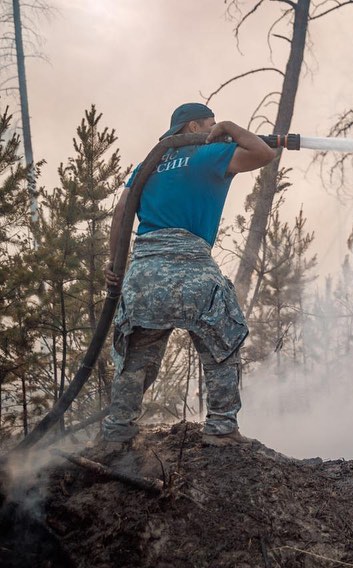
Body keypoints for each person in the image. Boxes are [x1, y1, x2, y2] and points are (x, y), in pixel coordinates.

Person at [101, 102, 276, 448]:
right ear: (194, 128)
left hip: (145, 273)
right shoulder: (208, 155)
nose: (216, 130)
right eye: (210, 124)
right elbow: (263, 152)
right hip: (193, 271)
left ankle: (117, 432)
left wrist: (115, 265)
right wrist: (230, 126)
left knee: (137, 357)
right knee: (222, 342)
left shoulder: (147, 166)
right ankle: (222, 428)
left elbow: (122, 211)